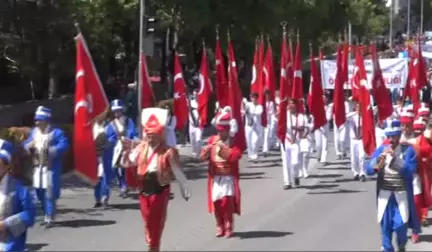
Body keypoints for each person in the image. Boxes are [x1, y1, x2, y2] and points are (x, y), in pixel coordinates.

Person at [121, 107, 191, 252]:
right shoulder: (141, 148)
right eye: (149, 135)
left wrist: (184, 188)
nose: (151, 138)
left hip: (160, 191)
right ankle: (152, 243)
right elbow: (127, 163)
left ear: (160, 134)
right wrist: (125, 152)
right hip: (143, 191)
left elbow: (177, 171)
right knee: (147, 221)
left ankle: (154, 247)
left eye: (154, 135)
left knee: (156, 221)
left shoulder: (168, 152)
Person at [365, 119, 421, 251]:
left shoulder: (408, 151)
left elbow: (409, 171)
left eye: (393, 136)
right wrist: (377, 162)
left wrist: (396, 160)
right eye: (388, 136)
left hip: (401, 196)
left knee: (400, 227)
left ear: (398, 136)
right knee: (385, 230)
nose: (390, 139)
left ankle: (401, 245)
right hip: (385, 197)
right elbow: (368, 170)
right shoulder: (381, 150)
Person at [23, 106, 69, 228]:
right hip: (37, 167)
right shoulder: (34, 132)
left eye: (39, 120)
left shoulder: (56, 132)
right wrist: (28, 145)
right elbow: (25, 144)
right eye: (36, 120)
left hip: (51, 167)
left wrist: (52, 150)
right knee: (39, 191)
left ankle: (50, 216)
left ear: (46, 120)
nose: (36, 122)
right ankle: (46, 214)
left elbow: (64, 145)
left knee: (50, 192)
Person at [201, 110, 242, 238]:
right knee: (217, 202)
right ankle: (220, 224)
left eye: (222, 130)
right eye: (219, 130)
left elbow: (236, 156)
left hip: (228, 176)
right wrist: (206, 151)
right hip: (215, 177)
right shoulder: (213, 139)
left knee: (226, 201)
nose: (220, 132)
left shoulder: (233, 141)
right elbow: (203, 157)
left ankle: (229, 225)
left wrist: (223, 149)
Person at [0, 139, 36, 251]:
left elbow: (30, 214)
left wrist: (6, 224)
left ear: (7, 166)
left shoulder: (20, 188)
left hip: (9, 243)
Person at [106, 99, 139, 198]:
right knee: (117, 168)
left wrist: (131, 140)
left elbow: (133, 133)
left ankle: (126, 185)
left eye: (119, 110)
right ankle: (122, 185)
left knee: (126, 168)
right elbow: (109, 137)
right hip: (117, 149)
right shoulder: (111, 124)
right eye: (115, 111)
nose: (117, 113)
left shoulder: (129, 121)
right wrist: (115, 141)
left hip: (128, 147)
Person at [281, 99, 306, 189]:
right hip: (286, 141)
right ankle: (287, 182)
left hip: (296, 142)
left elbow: (302, 128)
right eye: (290, 104)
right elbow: (279, 120)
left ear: (296, 106)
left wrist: (294, 127)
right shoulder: (285, 115)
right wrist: (284, 108)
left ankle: (295, 176)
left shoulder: (300, 116)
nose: (291, 106)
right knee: (286, 163)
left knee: (295, 162)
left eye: (293, 104)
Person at [92, 111, 112, 208]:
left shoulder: (108, 126)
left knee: (105, 177)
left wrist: (107, 143)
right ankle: (98, 199)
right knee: (96, 178)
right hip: (94, 156)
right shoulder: (91, 127)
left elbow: (111, 140)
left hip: (105, 156)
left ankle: (105, 197)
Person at [348, 101, 366, 182]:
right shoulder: (352, 116)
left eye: (360, 107)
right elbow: (345, 116)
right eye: (358, 107)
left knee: (361, 156)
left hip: (361, 139)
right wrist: (356, 112)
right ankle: (355, 172)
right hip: (353, 139)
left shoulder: (364, 117)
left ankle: (362, 172)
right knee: (354, 157)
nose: (359, 109)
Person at [243, 93, 263, 162]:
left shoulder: (259, 106)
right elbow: (243, 110)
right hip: (249, 125)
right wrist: (244, 106)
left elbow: (259, 113)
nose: (253, 99)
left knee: (255, 140)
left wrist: (251, 113)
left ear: (257, 98)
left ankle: (255, 154)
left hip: (257, 126)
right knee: (249, 141)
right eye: (252, 97)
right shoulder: (248, 105)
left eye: (254, 97)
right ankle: (251, 155)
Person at [316, 95, 332, 165]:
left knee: (325, 142)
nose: (323, 99)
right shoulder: (316, 107)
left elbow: (328, 117)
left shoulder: (329, 107)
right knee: (318, 144)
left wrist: (322, 119)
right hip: (318, 126)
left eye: (324, 98)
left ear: (326, 100)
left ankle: (323, 159)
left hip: (325, 125)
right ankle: (319, 155)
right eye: (321, 98)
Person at [188, 89, 202, 159]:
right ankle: (194, 153)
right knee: (192, 140)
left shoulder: (202, 102)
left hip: (199, 125)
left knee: (198, 140)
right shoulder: (191, 102)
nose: (196, 95)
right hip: (192, 124)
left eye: (197, 94)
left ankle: (199, 154)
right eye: (194, 94)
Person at [262, 90, 276, 157]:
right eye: (266, 95)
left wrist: (272, 122)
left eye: (268, 95)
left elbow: (272, 113)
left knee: (267, 135)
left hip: (268, 121)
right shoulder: (262, 103)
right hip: (262, 121)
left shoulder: (271, 103)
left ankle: (265, 150)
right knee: (262, 136)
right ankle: (264, 148)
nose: (267, 96)